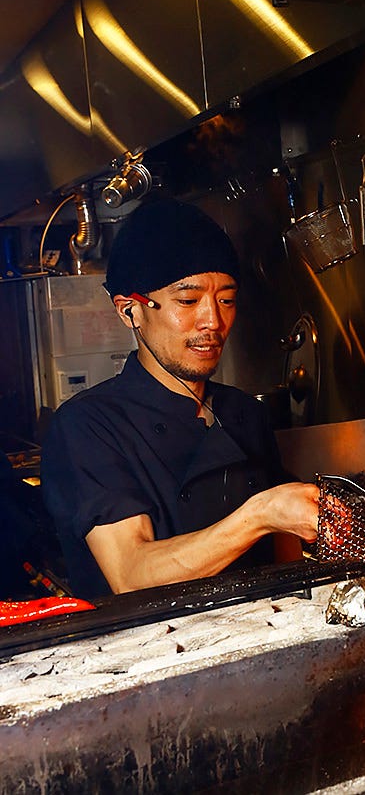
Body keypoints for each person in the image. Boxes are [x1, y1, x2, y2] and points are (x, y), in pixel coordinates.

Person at [42, 197, 319, 599]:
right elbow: (130, 573)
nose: (213, 321)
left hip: (263, 631)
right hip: (150, 640)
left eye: (226, 300)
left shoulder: (245, 413)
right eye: (188, 301)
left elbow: (282, 555)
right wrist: (261, 515)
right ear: (130, 311)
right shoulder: (88, 426)